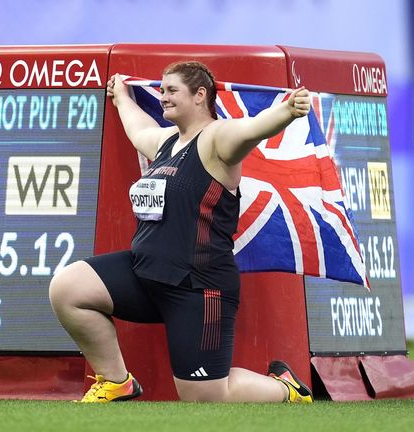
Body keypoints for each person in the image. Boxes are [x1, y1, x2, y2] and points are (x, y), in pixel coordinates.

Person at [48, 60, 314, 403]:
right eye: (161, 89)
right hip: (145, 273)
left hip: (198, 287)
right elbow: (137, 129)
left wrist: (287, 112)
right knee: (68, 289)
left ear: (200, 95)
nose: (162, 97)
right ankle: (116, 382)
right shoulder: (166, 142)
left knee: (206, 398)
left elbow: (252, 129)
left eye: (172, 90)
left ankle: (285, 390)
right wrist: (122, 97)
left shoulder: (218, 138)